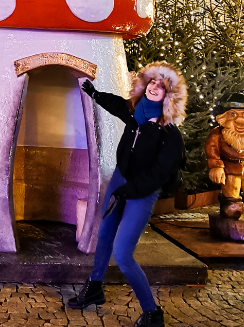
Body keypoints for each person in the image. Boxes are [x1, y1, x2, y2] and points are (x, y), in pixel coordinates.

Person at [70, 62, 188, 327]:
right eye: (152, 83)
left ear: (170, 95)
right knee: (104, 232)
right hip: (120, 180)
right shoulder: (136, 112)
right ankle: (95, 287)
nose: (155, 88)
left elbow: (158, 175)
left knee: (123, 254)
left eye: (162, 86)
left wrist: (128, 191)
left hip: (142, 192)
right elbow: (117, 105)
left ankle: (152, 313)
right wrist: (95, 94)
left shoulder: (171, 136)